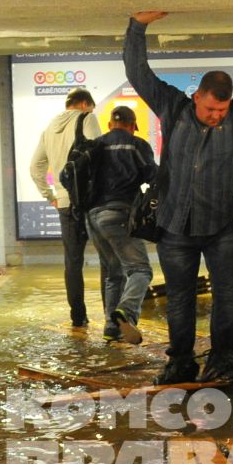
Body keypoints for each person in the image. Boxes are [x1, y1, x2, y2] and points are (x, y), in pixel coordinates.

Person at [124, 6, 233, 385]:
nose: (217, 116)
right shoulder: (172, 106)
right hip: (175, 226)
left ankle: (224, 359)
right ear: (197, 97)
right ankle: (180, 361)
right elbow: (138, 73)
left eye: (222, 110)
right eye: (211, 108)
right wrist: (137, 27)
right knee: (180, 300)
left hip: (221, 226)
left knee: (229, 296)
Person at [82, 105, 157, 344]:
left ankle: (111, 328)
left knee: (113, 273)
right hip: (119, 215)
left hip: (92, 218)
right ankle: (127, 312)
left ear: (109, 125)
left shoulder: (94, 146)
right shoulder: (136, 145)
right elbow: (154, 177)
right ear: (132, 125)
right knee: (141, 270)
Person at [29, 89, 103, 327]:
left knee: (72, 261)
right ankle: (112, 317)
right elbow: (98, 155)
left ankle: (78, 317)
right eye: (91, 108)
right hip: (90, 201)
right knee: (109, 258)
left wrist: (50, 194)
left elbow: (35, 167)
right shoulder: (86, 118)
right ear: (84, 104)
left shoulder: (49, 128)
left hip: (64, 202)